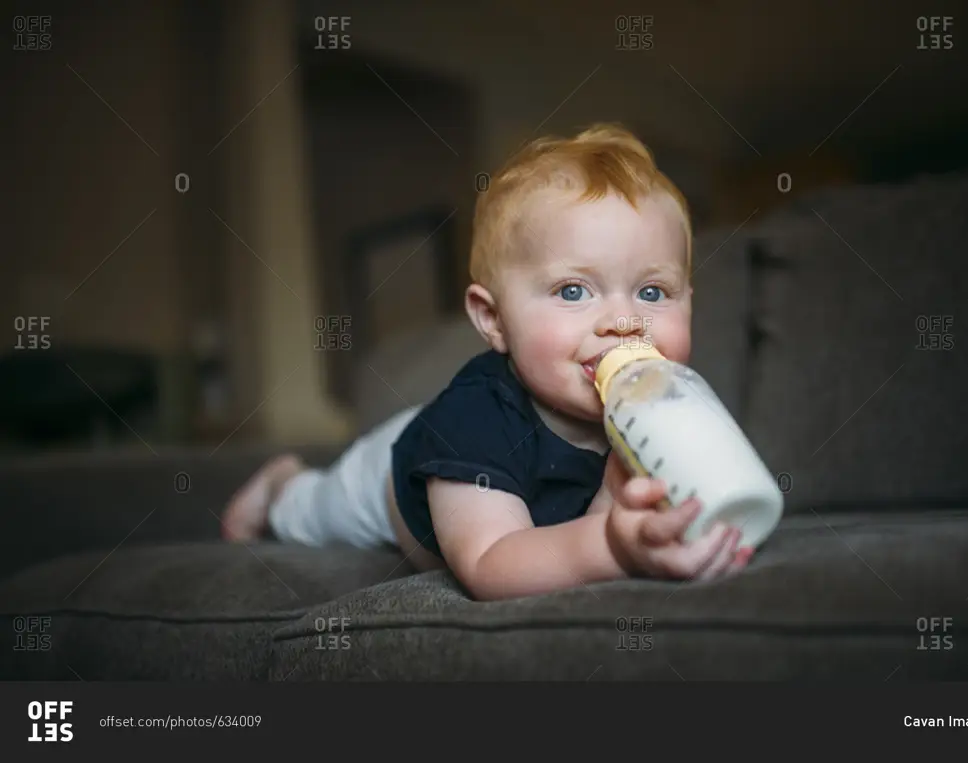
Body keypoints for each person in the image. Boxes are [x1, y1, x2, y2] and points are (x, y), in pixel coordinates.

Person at [222, 122, 754, 600]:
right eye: (573, 291)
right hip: (391, 473)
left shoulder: (668, 406)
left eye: (653, 292)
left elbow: (598, 519)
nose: (623, 320)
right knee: (311, 514)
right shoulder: (471, 423)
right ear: (493, 319)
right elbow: (491, 563)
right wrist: (613, 546)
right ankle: (280, 484)